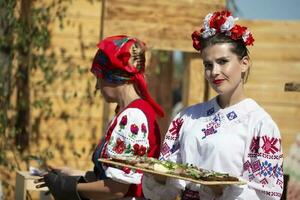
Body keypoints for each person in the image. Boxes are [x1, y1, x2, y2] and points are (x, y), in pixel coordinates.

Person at [142, 10, 284, 200]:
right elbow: (170, 181)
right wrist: (157, 176)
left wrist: (221, 191)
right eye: (208, 65)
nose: (214, 72)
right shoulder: (188, 117)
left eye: (223, 62)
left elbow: (267, 195)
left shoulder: (259, 124)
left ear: (244, 63)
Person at [36, 35, 164, 200]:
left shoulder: (133, 117)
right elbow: (112, 178)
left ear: (114, 76)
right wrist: (71, 175)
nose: (97, 86)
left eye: (99, 78)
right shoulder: (130, 112)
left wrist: (68, 187)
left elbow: (117, 189)